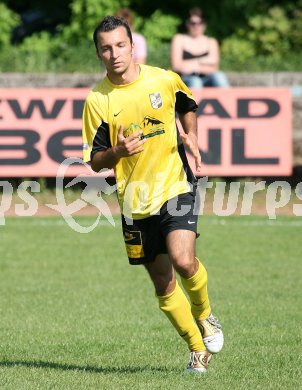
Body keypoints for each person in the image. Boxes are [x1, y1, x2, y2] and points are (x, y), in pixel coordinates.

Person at [82, 16, 224, 373]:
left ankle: (206, 315)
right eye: (105, 48)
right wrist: (117, 153)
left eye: (119, 45)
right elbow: (95, 162)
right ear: (98, 53)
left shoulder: (163, 78)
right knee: (163, 282)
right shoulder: (97, 100)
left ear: (132, 45)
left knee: (183, 259)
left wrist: (191, 136)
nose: (114, 53)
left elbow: (187, 105)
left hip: (175, 183)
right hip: (134, 201)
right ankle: (196, 349)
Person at [171, 7, 229, 88]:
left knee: (219, 76)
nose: (196, 26)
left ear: (204, 24)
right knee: (195, 81)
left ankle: (227, 99)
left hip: (207, 79)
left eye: (200, 23)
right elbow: (177, 66)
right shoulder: (179, 39)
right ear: (187, 24)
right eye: (193, 23)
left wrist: (194, 67)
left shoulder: (211, 41)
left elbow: (214, 68)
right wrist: (206, 61)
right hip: (185, 80)